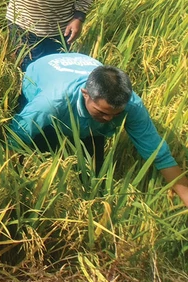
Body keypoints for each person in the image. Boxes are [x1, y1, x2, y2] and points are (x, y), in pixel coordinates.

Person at [10, 53, 188, 208]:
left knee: (92, 178)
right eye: (102, 111)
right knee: (41, 147)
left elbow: (157, 153)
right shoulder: (49, 103)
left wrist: (185, 194)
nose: (110, 119)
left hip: (79, 69)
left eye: (116, 114)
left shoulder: (131, 105)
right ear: (85, 93)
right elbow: (15, 136)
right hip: (41, 73)